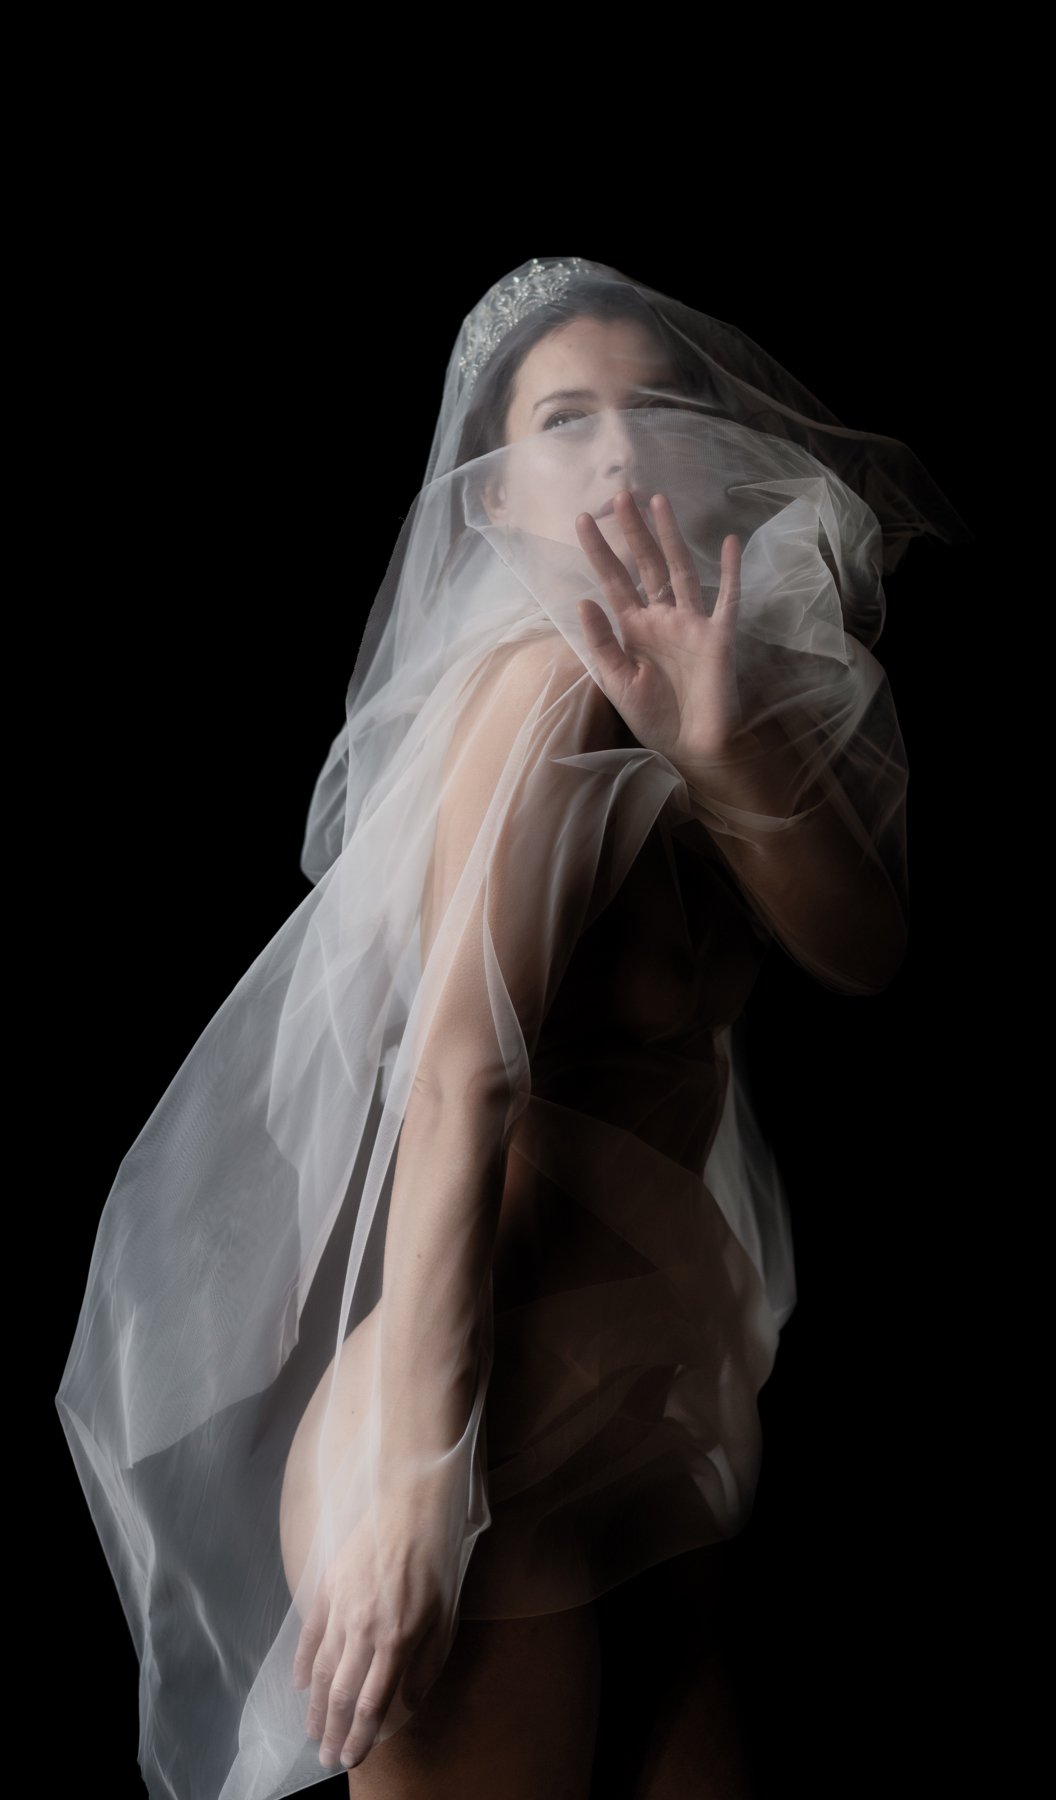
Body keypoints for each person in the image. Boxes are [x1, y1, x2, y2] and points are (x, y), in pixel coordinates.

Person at [55, 255, 972, 1800]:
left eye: (656, 406)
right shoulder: (544, 685)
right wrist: (421, 1487)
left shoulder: (715, 687)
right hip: (481, 1432)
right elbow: (460, 1078)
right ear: (491, 495)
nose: (620, 451)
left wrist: (725, 747)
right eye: (565, 421)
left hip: (647, 1438)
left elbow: (865, 951)